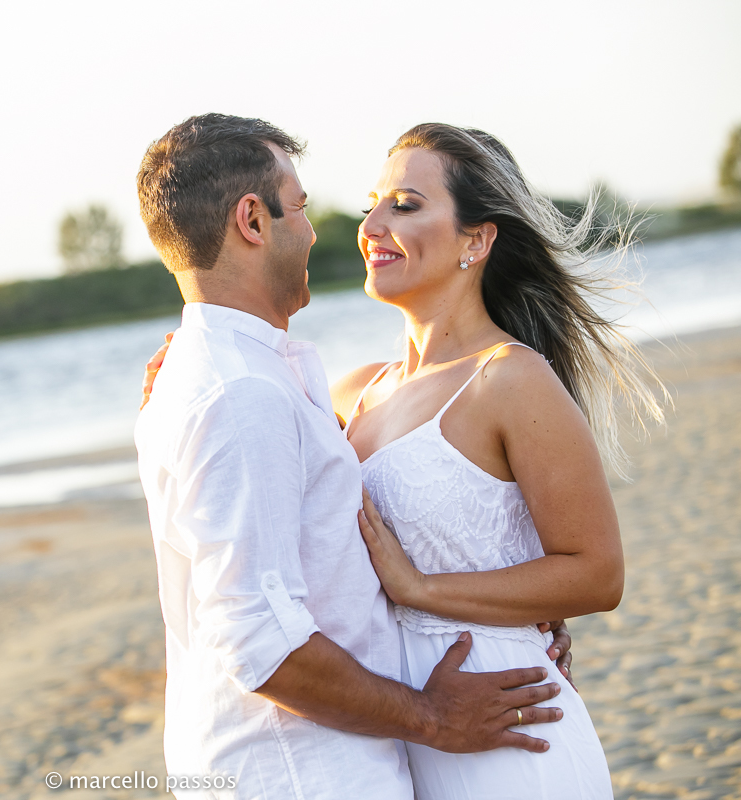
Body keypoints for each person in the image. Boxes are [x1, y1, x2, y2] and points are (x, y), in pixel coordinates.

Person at [133, 113, 570, 800]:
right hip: (302, 774)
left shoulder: (258, 377)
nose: (320, 230)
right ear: (253, 220)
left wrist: (505, 607)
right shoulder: (240, 390)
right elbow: (261, 641)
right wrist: (433, 716)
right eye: (302, 208)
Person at [331, 123, 663, 798]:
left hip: (514, 736)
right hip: (407, 740)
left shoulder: (509, 379)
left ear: (476, 241)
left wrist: (423, 590)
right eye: (372, 203)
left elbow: (597, 574)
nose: (370, 224)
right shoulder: (351, 394)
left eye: (405, 204)